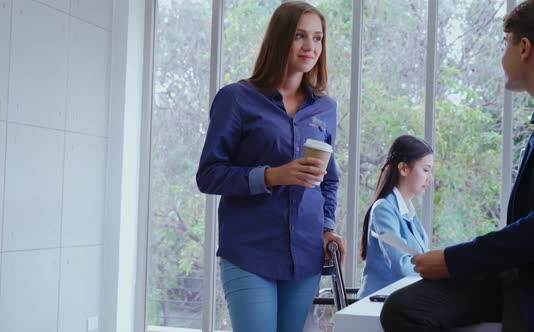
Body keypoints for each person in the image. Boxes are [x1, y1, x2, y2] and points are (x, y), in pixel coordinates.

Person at [381, 1, 534, 331]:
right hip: (515, 273)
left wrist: (453, 260)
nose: (500, 57)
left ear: (524, 48)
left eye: (504, 44)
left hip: (526, 277)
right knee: (404, 309)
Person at [195, 2, 346, 332]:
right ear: (279, 39)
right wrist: (271, 175)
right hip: (250, 252)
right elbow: (208, 174)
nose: (311, 47)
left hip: (305, 256)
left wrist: (326, 227)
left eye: (318, 38)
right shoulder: (236, 99)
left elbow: (329, 180)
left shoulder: (325, 108)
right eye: (299, 36)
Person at [357, 135, 433, 298]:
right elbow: (401, 264)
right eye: (426, 170)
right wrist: (435, 270)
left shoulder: (409, 212)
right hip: (377, 304)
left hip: (400, 300)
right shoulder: (384, 209)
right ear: (404, 168)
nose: (430, 178)